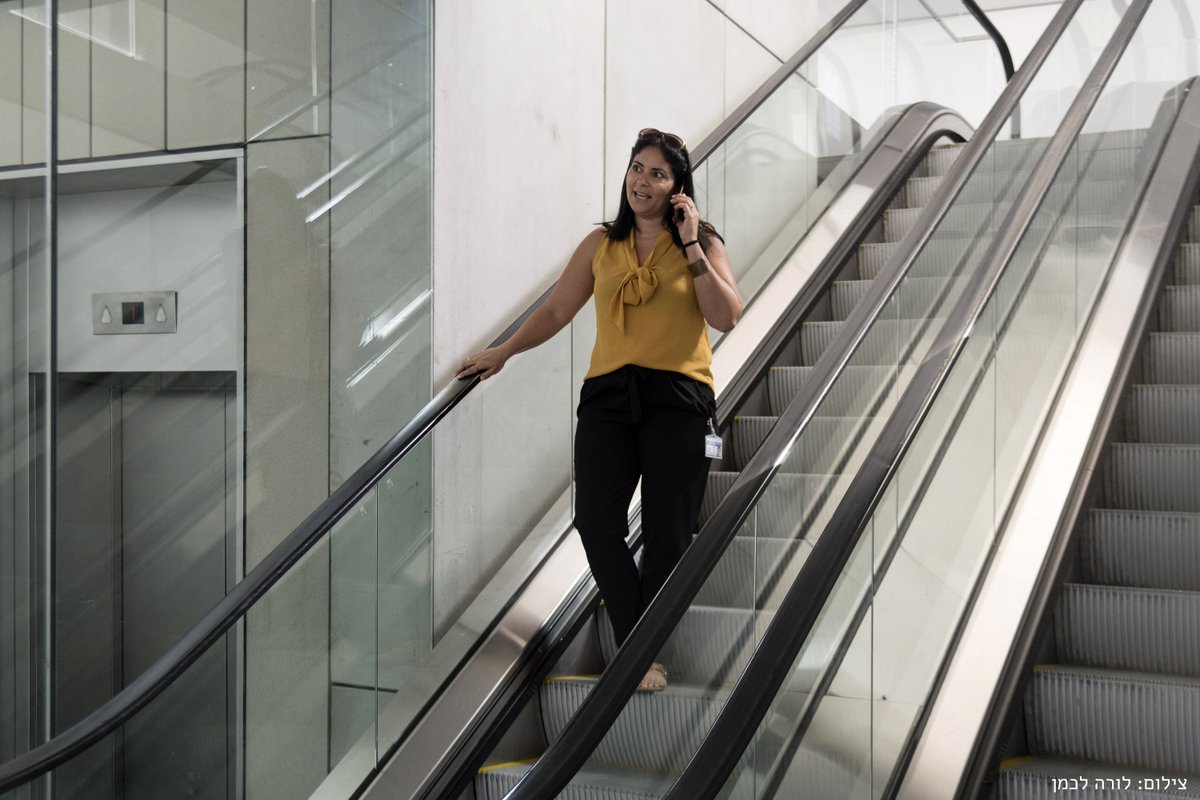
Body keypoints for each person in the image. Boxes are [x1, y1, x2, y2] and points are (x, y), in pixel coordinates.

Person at [457, 128, 742, 691]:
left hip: (679, 400)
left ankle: (640, 657)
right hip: (609, 398)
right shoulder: (601, 244)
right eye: (637, 168)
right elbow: (556, 310)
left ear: (678, 187)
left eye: (658, 173)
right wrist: (505, 351)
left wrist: (690, 245)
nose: (643, 181)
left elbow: (726, 316)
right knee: (594, 521)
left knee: (668, 534)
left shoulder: (703, 243)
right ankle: (638, 645)